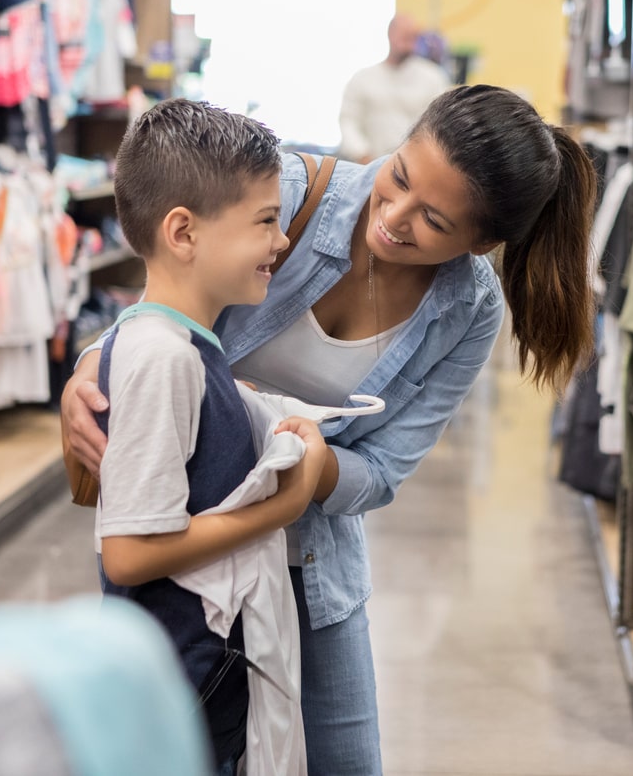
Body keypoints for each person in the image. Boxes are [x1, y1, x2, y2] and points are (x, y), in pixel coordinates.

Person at [63, 84, 597, 775]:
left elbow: (382, 471)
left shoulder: (468, 310)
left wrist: (309, 472)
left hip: (310, 562)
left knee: (342, 758)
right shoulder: (281, 192)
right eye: (397, 176)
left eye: (433, 220)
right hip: (185, 551)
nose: (394, 217)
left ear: (483, 242)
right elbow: (160, 307)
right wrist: (88, 370)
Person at [90, 98, 327, 775]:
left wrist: (243, 408)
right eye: (264, 221)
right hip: (182, 687)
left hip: (199, 677)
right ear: (184, 233)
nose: (281, 241)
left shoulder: (188, 348)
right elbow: (130, 553)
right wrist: (281, 506)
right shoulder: (162, 357)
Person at [337, 13, 451, 164]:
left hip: (416, 167)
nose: (407, 43)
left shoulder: (433, 78)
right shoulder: (363, 79)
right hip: (369, 165)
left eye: (412, 37)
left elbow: (442, 124)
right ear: (390, 34)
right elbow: (348, 121)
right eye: (403, 36)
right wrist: (363, 155)